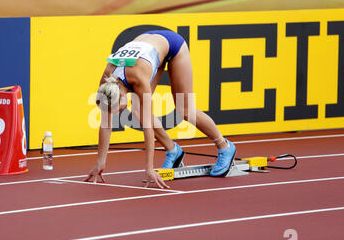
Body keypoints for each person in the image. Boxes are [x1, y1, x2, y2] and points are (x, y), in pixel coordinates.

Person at [85, 30, 236, 188]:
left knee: (185, 110)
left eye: (119, 109)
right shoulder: (106, 83)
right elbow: (105, 124)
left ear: (123, 94)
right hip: (147, 46)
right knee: (136, 112)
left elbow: (148, 126)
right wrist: (99, 163)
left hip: (172, 45)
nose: (118, 113)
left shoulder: (138, 78)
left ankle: (224, 146)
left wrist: (149, 168)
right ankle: (173, 151)